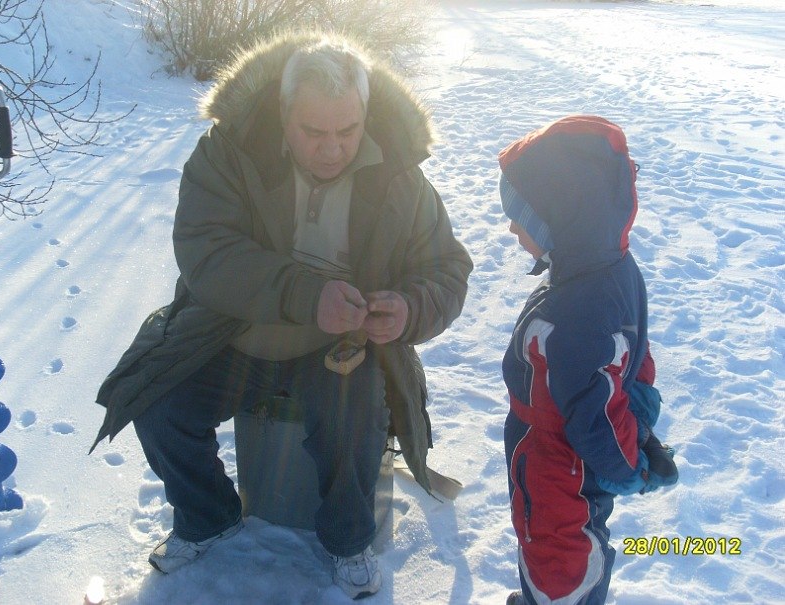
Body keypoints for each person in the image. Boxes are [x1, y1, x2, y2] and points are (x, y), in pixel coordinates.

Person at [90, 32, 472, 600]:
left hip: (339, 348)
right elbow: (206, 252)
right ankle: (207, 516)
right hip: (230, 332)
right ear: (282, 114)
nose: (332, 149)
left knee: (354, 421)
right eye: (313, 132)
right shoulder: (228, 154)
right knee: (155, 399)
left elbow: (447, 269)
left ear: (366, 115)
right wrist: (306, 294)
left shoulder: (401, 177)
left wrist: (409, 308)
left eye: (348, 130)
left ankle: (348, 541)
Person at [497, 116, 678, 604]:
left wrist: (630, 466)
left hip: (558, 472)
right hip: (564, 460)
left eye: (521, 215)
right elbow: (633, 352)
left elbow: (594, 416)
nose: (511, 227)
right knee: (560, 554)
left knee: (562, 569)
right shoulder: (607, 268)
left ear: (558, 218)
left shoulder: (579, 309)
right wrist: (640, 417)